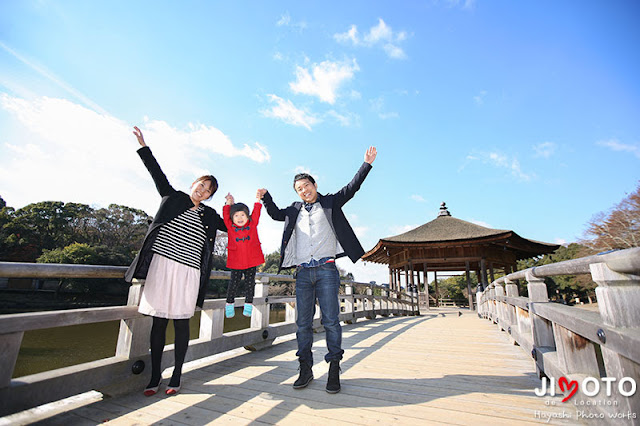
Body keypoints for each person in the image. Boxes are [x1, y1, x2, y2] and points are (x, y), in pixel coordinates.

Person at [257, 146, 377, 394]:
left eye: (306, 185)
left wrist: (366, 165)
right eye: (299, 189)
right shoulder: (293, 210)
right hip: (302, 273)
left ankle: (334, 368)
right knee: (302, 323)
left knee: (331, 321)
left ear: (314, 184)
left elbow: (351, 189)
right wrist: (266, 197)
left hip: (326, 270)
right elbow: (275, 214)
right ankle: (305, 368)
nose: (304, 190)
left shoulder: (331, 202)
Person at [124, 126, 227, 396]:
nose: (203, 191)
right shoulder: (173, 197)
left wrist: (233, 207)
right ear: (194, 183)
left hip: (189, 272)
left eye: (208, 191)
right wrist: (143, 146)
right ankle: (155, 376)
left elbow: (236, 226)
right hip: (162, 266)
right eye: (201, 185)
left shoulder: (210, 214)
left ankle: (177, 376)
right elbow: (156, 172)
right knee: (158, 322)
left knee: (181, 322)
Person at [222, 192, 265, 318]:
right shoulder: (230, 226)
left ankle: (248, 304)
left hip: (251, 260)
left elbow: (256, 213)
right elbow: (225, 215)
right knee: (233, 283)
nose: (240, 218)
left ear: (248, 216)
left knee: (250, 283)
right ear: (232, 217)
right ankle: (229, 303)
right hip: (236, 260)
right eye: (236, 215)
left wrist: (258, 200)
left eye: (242, 215)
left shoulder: (252, 225)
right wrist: (229, 203)